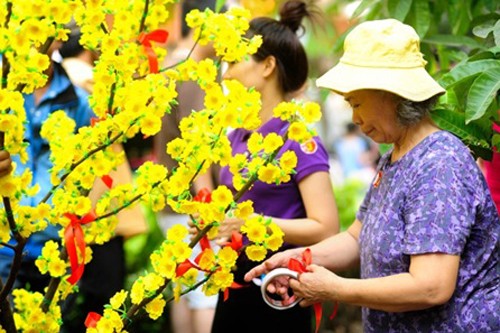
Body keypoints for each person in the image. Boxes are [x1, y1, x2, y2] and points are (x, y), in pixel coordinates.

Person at [245, 18, 500, 333]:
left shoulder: (439, 164)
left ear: (389, 94)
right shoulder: (395, 157)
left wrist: (335, 288)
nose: (355, 118)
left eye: (356, 102)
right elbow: (356, 238)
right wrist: (299, 257)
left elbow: (431, 286)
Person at [194, 1, 340, 332]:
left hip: (279, 286)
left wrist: (248, 222)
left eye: (233, 61)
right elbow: (232, 215)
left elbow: (326, 227)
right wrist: (214, 224)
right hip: (234, 283)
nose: (226, 72)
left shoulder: (299, 140)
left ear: (267, 66)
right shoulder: (235, 138)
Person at [57, 27, 148, 333]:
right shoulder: (92, 83)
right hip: (100, 211)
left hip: (59, 209)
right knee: (104, 301)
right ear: (93, 51)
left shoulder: (47, 83)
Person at [0, 42, 94, 292]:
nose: (36, 40)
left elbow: (92, 168)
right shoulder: (4, 96)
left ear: (58, 37)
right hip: (3, 242)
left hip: (56, 242)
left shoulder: (81, 103)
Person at [154, 1, 221, 333]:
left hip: (172, 198)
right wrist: (207, 207)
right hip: (193, 203)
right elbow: (197, 145)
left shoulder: (172, 62)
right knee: (205, 294)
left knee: (181, 289)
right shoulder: (194, 69)